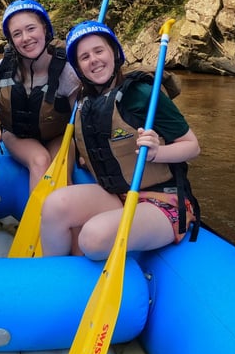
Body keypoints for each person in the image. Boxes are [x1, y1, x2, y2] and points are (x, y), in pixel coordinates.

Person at [40, 20, 201, 260]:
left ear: (114, 53)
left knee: (92, 237)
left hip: (163, 201)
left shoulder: (143, 94)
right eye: (84, 57)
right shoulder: (87, 102)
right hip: (118, 196)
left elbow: (192, 146)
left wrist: (158, 152)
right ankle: (56, 276)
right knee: (54, 205)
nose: (93, 60)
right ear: (79, 68)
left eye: (99, 51)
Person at [0, 0, 80, 190]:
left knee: (61, 174)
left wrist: (86, 155)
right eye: (17, 33)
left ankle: (63, 207)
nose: (25, 38)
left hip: (57, 135)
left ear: (44, 29)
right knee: (40, 160)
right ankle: (39, 210)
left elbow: (82, 122)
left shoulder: (68, 74)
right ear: (11, 40)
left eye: (31, 28)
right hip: (16, 135)